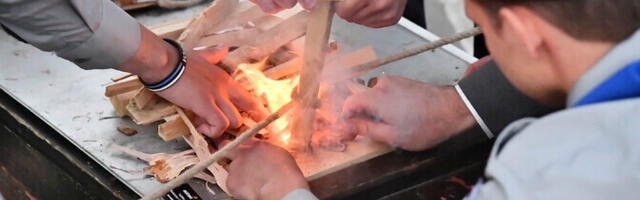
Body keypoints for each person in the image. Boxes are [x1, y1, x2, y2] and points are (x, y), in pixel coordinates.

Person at [225, 0, 640, 199]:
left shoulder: (551, 173)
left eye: (481, 29)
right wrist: (460, 107)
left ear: (523, 32)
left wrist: (280, 193)